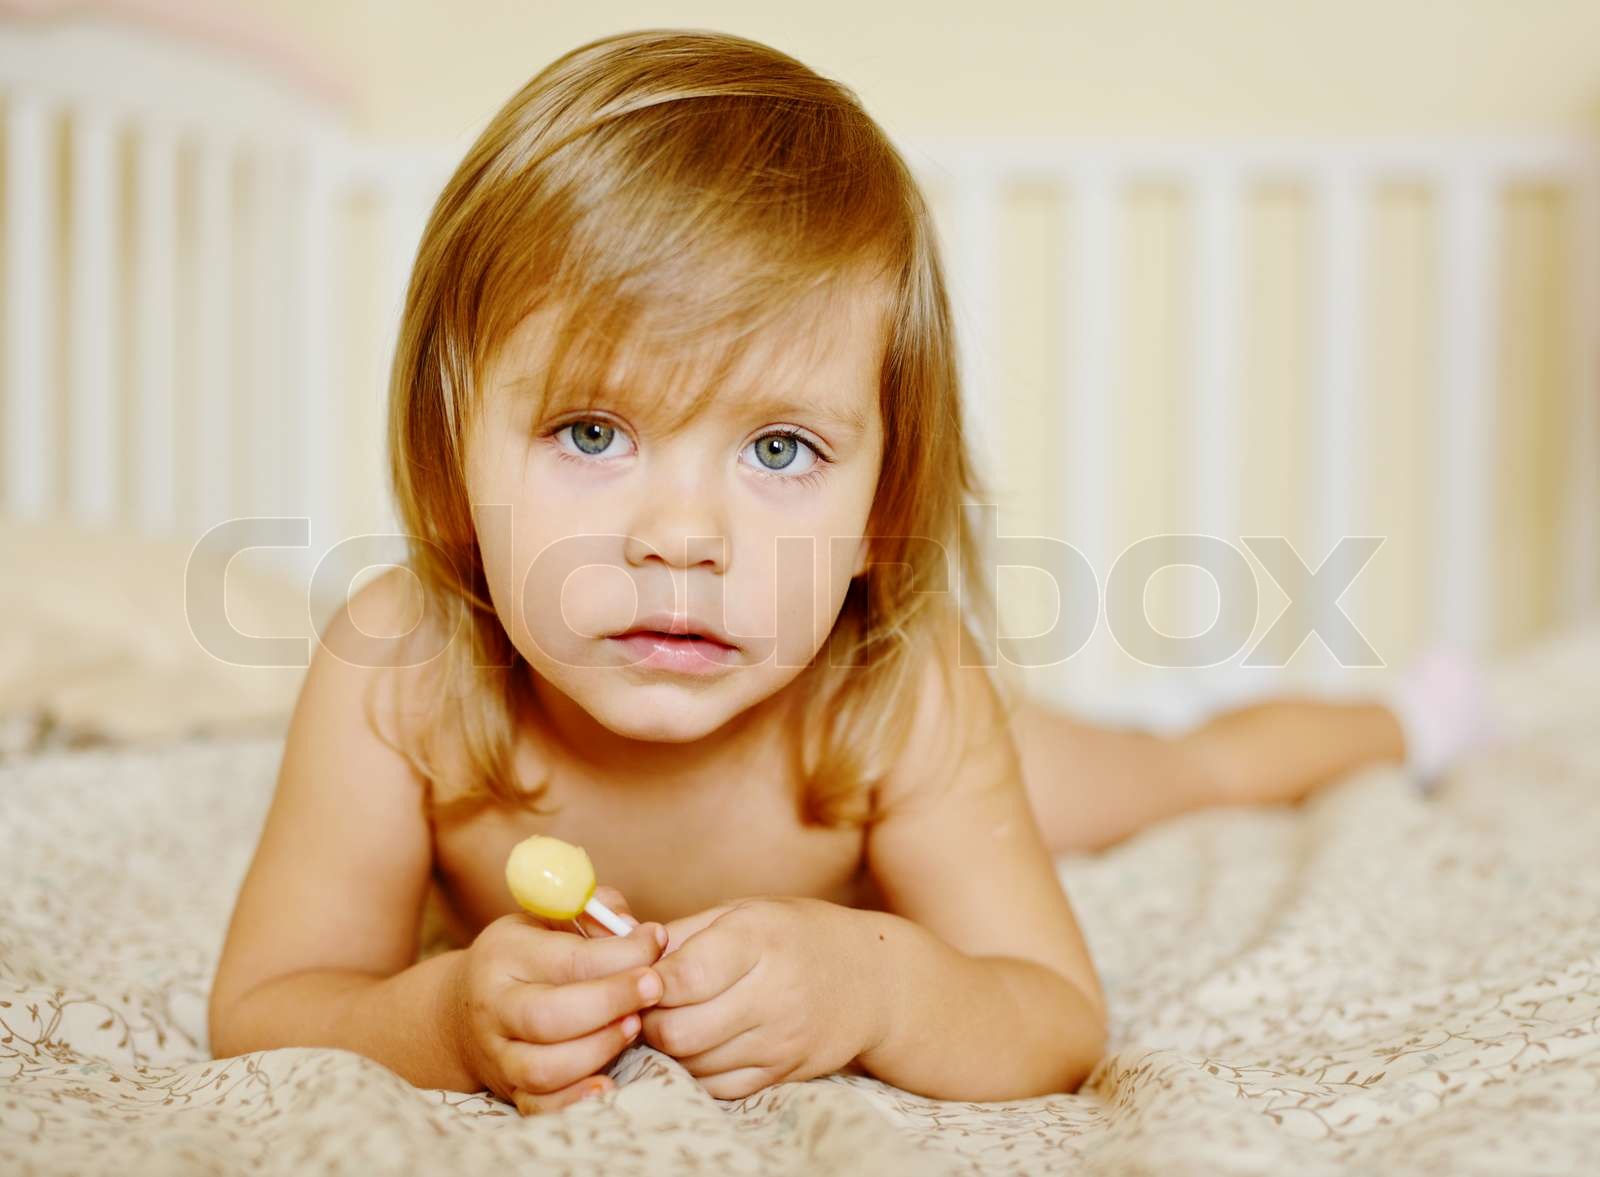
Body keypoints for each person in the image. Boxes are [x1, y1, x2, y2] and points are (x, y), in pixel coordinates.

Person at [207, 28, 1492, 1117]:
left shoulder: (900, 691)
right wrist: (440, 1020)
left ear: (887, 493)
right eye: (591, 433)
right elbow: (269, 1005)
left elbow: (1049, 1015)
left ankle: (1405, 715)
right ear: (449, 453)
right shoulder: (402, 674)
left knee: (1172, 774)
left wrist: (879, 982)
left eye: (779, 447)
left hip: (936, 783)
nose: (682, 537)